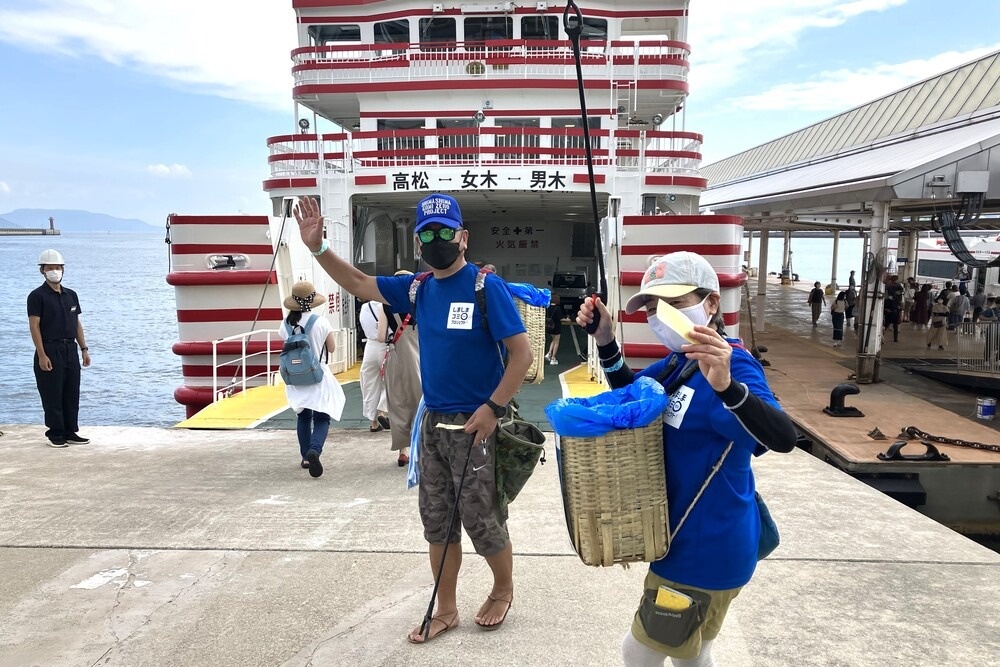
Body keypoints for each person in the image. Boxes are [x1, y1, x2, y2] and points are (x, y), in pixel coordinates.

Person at [295, 193, 532, 642]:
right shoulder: (418, 288)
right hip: (434, 423)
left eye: (447, 232)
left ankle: (503, 590)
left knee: (483, 518)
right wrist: (317, 247)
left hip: (477, 422)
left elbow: (522, 355)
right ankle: (446, 608)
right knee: (438, 520)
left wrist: (492, 409)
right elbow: (362, 283)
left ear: (463, 237)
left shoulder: (485, 287)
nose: (438, 239)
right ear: (418, 244)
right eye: (428, 233)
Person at [576, 251, 797, 667]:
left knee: (639, 651)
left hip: (704, 548)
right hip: (684, 539)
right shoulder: (682, 360)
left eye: (676, 304)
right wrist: (606, 339)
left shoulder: (732, 365)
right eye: (655, 307)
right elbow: (634, 396)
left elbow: (784, 437)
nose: (662, 316)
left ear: (711, 304)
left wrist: (729, 388)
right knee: (692, 652)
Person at [279, 281, 346, 478]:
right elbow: (332, 349)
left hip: (295, 377)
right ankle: (314, 450)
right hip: (317, 375)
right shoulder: (321, 322)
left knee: (303, 416)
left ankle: (305, 457)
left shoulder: (284, 324)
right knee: (322, 416)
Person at [27, 249, 91, 447]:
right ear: (42, 271)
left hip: (70, 348)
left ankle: (70, 431)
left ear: (63, 269)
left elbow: (76, 323)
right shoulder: (37, 296)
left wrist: (84, 349)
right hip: (49, 348)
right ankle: (55, 434)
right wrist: (42, 354)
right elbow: (34, 326)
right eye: (50, 268)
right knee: (52, 393)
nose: (54, 271)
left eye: (57, 267)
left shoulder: (71, 295)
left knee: (71, 391)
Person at [379, 270, 421, 467]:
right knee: (421, 402)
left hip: (397, 356)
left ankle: (403, 451)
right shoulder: (420, 302)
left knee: (398, 403)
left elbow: (381, 335)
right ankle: (421, 449)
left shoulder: (386, 305)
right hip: (421, 356)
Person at [358, 298, 390, 432]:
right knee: (390, 381)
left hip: (370, 346)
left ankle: (373, 422)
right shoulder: (389, 306)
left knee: (369, 383)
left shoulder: (365, 307)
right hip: (387, 346)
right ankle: (383, 410)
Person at [544, 294, 563, 365]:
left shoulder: (548, 307)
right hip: (557, 326)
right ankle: (553, 358)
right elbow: (560, 318)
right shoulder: (557, 308)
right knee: (557, 341)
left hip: (550, 326)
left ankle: (549, 353)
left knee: (553, 340)